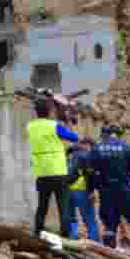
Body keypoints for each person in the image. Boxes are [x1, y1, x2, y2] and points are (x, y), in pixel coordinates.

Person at [26, 96, 78, 238]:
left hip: (42, 172)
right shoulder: (54, 126)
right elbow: (74, 137)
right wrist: (67, 121)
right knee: (63, 205)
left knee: (42, 205)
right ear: (49, 111)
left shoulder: (30, 127)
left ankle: (37, 232)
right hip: (58, 171)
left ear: (36, 111)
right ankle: (65, 235)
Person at [90, 124, 130, 250]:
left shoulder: (97, 148)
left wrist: (95, 189)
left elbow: (92, 173)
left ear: (106, 134)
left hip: (107, 192)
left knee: (109, 226)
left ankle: (110, 254)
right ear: (119, 134)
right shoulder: (128, 148)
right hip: (126, 190)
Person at [65, 137, 101, 244]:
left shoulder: (67, 154)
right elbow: (89, 175)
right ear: (87, 145)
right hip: (81, 190)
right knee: (90, 218)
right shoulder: (85, 155)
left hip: (65, 189)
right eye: (92, 147)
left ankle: (73, 238)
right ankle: (94, 242)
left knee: (71, 217)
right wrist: (91, 191)